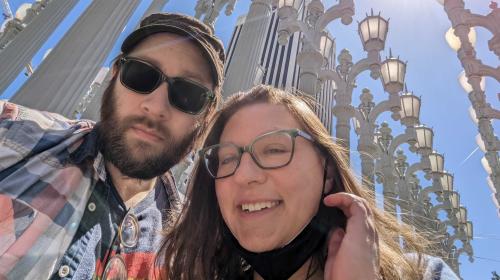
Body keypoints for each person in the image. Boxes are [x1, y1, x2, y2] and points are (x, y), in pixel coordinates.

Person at [0, 13, 224, 279]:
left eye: (189, 94)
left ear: (206, 119)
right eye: (141, 74)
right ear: (115, 76)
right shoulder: (13, 133)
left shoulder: (191, 250)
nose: (155, 106)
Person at [158, 85, 460, 280]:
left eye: (275, 149)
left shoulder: (424, 274)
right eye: (226, 159)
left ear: (327, 173)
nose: (243, 175)